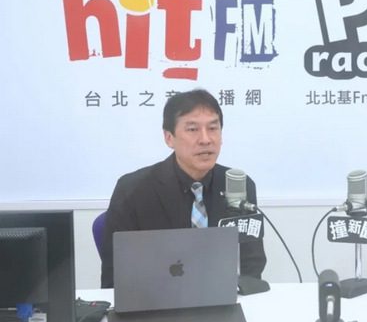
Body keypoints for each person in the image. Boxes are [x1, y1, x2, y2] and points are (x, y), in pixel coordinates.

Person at [100, 89, 266, 288]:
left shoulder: (238, 185)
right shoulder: (133, 190)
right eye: (193, 129)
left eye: (213, 128)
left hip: (225, 297)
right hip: (155, 298)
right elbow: (116, 274)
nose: (206, 139)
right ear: (169, 137)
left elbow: (251, 265)